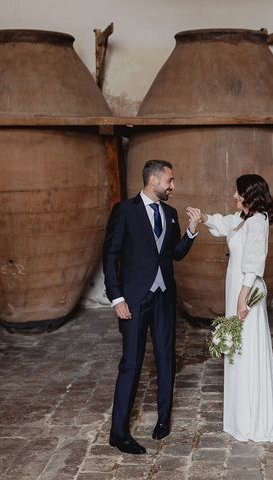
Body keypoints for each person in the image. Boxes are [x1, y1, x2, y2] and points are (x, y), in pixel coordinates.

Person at [200, 174, 273, 443]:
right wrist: (202, 217)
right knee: (237, 347)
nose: (234, 197)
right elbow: (222, 223)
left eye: (238, 193)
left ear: (249, 196)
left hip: (245, 289)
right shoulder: (242, 219)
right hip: (235, 286)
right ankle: (240, 413)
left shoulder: (258, 222)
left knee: (246, 347)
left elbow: (254, 261)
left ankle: (250, 417)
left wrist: (242, 297)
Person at [103, 159, 201, 454]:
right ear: (154, 180)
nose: (173, 186)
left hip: (163, 297)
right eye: (170, 180)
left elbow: (174, 255)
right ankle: (118, 433)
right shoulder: (125, 211)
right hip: (133, 299)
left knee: (165, 357)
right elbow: (110, 256)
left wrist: (192, 232)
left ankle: (163, 419)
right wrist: (116, 298)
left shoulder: (170, 214)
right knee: (131, 363)